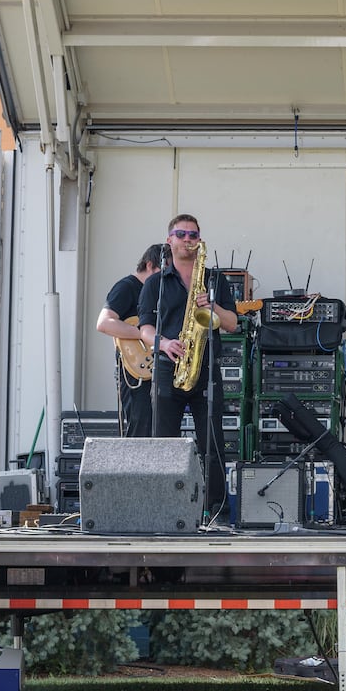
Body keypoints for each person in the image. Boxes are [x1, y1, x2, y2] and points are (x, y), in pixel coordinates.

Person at [138, 215, 238, 522]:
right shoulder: (156, 283)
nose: (187, 239)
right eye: (180, 234)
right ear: (169, 240)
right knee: (164, 443)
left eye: (193, 234)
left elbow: (232, 324)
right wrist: (165, 344)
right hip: (169, 367)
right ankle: (164, 510)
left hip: (205, 368)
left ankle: (217, 512)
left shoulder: (214, 280)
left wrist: (212, 306)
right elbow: (144, 328)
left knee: (213, 442)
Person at [94, 243, 163, 438]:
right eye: (160, 273)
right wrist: (143, 333)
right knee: (139, 425)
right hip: (134, 372)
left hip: (154, 369)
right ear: (149, 265)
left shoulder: (158, 293)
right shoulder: (126, 287)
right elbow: (104, 323)